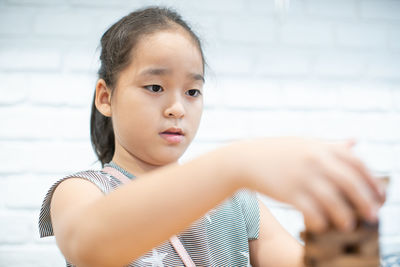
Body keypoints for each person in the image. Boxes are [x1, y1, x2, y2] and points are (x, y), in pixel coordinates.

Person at [38, 6, 385, 267]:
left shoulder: (238, 201)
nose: (177, 108)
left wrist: (343, 230)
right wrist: (235, 163)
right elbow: (88, 245)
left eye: (192, 92)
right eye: (155, 87)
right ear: (105, 97)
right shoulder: (81, 189)